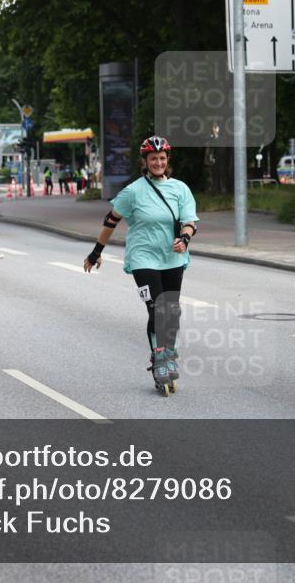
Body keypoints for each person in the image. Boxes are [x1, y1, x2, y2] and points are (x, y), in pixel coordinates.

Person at [83, 136, 198, 396]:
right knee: (158, 309)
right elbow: (111, 220)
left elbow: (190, 220)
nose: (158, 162)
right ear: (145, 162)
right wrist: (96, 251)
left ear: (167, 161)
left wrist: (185, 238)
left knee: (171, 311)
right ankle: (159, 361)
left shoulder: (180, 189)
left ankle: (169, 354)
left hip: (173, 258)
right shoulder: (134, 191)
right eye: (153, 158)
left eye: (162, 158)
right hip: (143, 257)